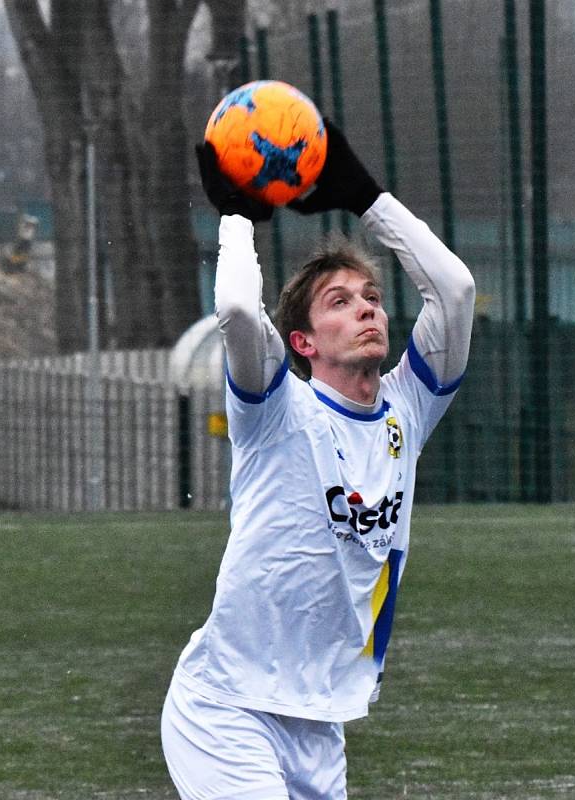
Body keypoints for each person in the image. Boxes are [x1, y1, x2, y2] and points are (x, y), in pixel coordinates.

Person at [161, 120, 475, 800]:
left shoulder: (406, 410)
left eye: (371, 299)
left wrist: (367, 197)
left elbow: (452, 291)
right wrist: (238, 216)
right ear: (301, 340)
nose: (366, 310)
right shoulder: (276, 407)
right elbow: (241, 313)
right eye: (340, 302)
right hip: (225, 708)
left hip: (322, 720)